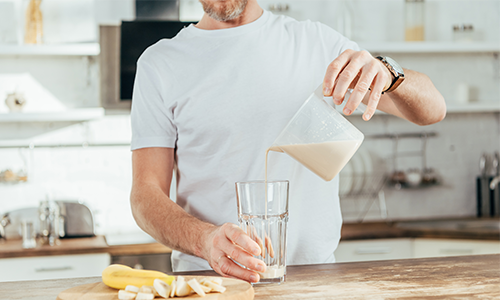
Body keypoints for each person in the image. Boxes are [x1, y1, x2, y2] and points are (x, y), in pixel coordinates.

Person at [130, 0, 446, 284]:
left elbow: (433, 109)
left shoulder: (317, 44)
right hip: (209, 284)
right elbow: (145, 195)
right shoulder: (160, 64)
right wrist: (205, 240)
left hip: (315, 282)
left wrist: (387, 73)